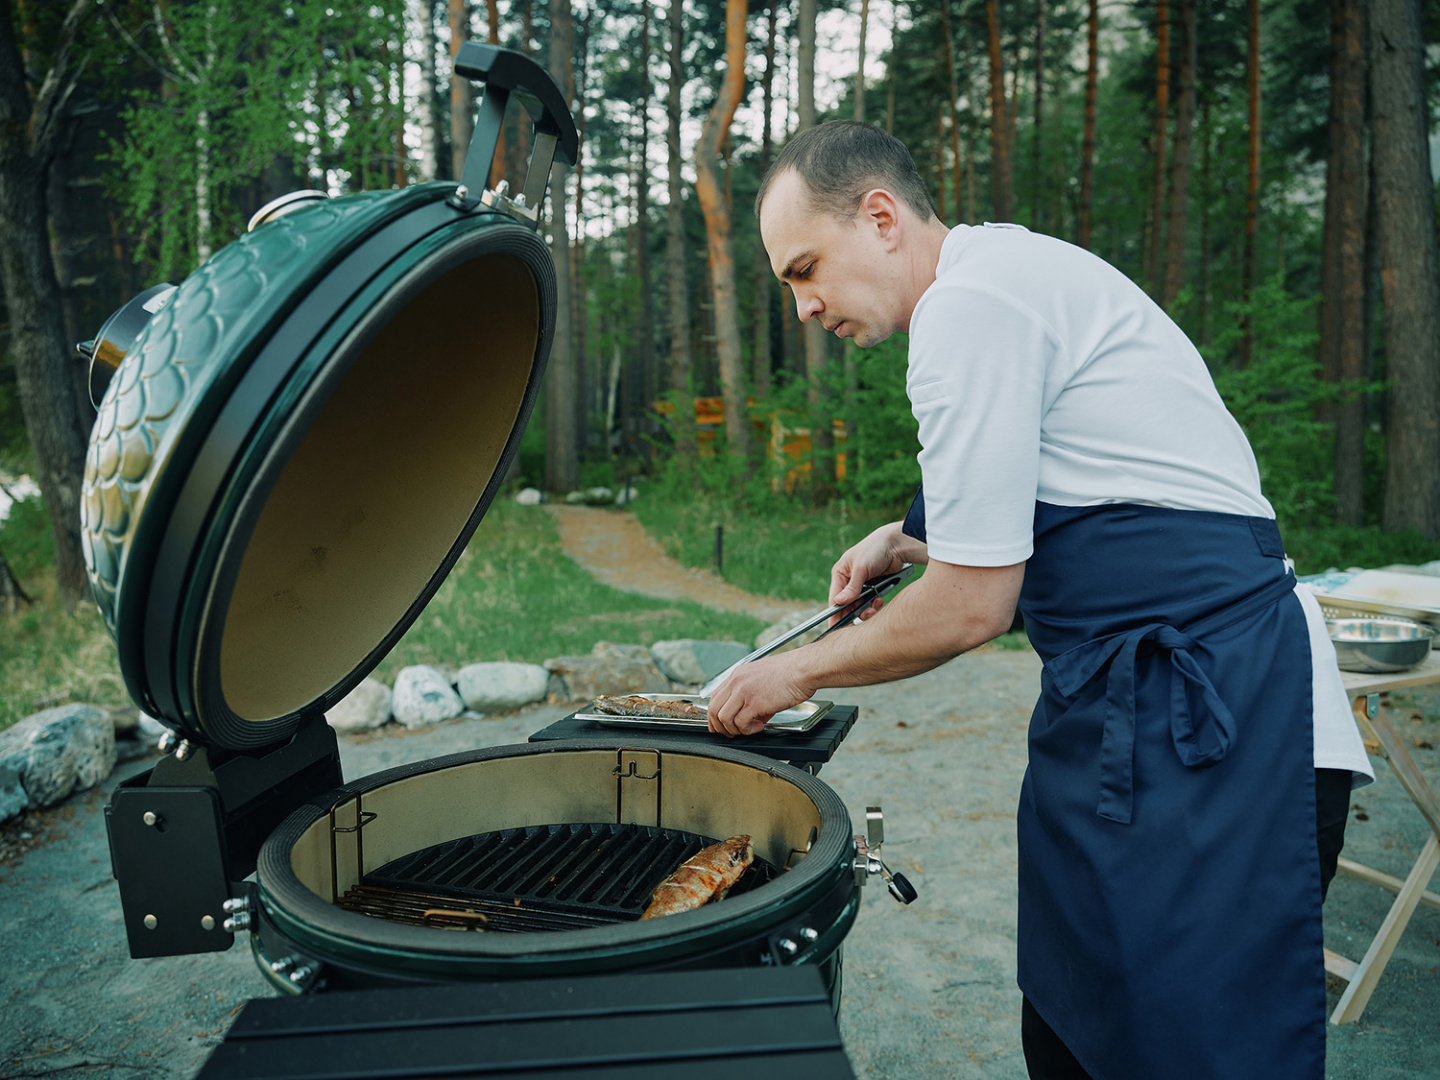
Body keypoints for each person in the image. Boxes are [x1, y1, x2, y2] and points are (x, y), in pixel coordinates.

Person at [711, 120, 1373, 1080]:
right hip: (1129, 710)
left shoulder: (969, 309)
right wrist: (902, 538)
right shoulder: (1004, 272)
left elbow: (973, 607)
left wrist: (791, 671)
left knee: (1194, 1048)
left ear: (882, 218)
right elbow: (1096, 481)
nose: (804, 306)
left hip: (1221, 721)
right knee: (1075, 1029)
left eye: (805, 268)